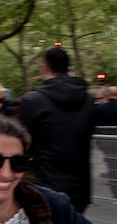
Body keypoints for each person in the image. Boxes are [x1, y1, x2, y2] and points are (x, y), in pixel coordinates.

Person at [17, 46, 97, 213]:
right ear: (68, 69)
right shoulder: (89, 101)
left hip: (44, 187)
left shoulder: (31, 101)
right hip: (80, 188)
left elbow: (19, 144)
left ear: (44, 68)